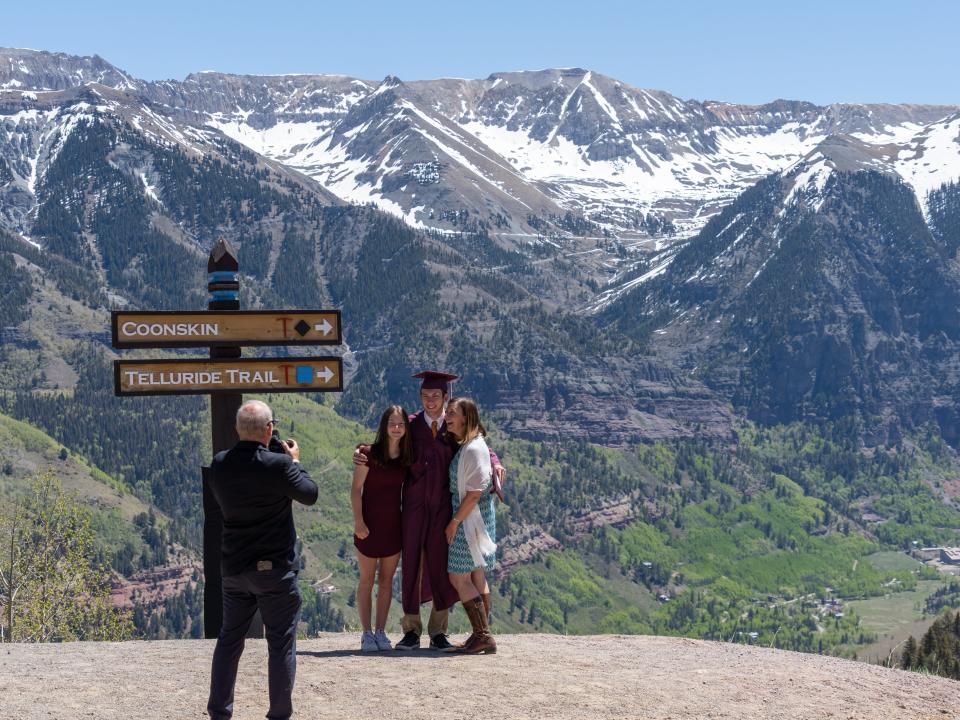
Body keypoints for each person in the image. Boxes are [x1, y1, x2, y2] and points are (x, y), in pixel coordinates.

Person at [353, 370, 504, 651]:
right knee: (411, 566)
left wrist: (494, 461)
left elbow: (479, 441)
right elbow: (387, 442)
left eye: (435, 396)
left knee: (440, 565)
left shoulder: (453, 426)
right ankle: (411, 629)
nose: (430, 401)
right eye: (425, 396)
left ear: (446, 398)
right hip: (412, 506)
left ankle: (438, 631)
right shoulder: (410, 425)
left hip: (444, 508)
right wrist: (362, 451)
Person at [206, 400, 318, 720]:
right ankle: (279, 714)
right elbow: (310, 494)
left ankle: (219, 712)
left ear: (237, 430)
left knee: (229, 639)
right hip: (275, 572)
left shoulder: (220, 464)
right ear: (269, 430)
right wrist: (294, 461)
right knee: (280, 643)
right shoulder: (279, 467)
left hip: (234, 568)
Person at [351, 405, 413, 652]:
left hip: (392, 527)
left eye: (400, 424)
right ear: (384, 427)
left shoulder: (406, 459)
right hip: (368, 525)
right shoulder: (368, 454)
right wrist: (358, 521)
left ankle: (380, 632)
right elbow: (356, 490)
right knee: (366, 581)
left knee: (386, 582)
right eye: (392, 424)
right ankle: (366, 633)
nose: (396, 428)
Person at [443, 397, 498, 654]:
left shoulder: (474, 448)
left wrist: (454, 523)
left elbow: (474, 492)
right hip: (475, 517)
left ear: (466, 417)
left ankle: (482, 635)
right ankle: (481, 635)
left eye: (452, 413)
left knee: (459, 576)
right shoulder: (471, 444)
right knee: (477, 573)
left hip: (469, 518)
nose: (446, 417)